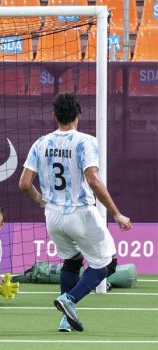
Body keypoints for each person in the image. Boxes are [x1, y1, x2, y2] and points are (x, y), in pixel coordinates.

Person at [18, 93, 132, 332]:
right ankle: (69, 300)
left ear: (54, 115)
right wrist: (116, 213)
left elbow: (24, 183)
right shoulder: (85, 141)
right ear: (79, 115)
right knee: (108, 264)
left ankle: (65, 320)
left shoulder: (41, 142)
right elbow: (93, 179)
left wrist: (40, 201)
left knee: (71, 261)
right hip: (80, 213)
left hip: (53, 217)